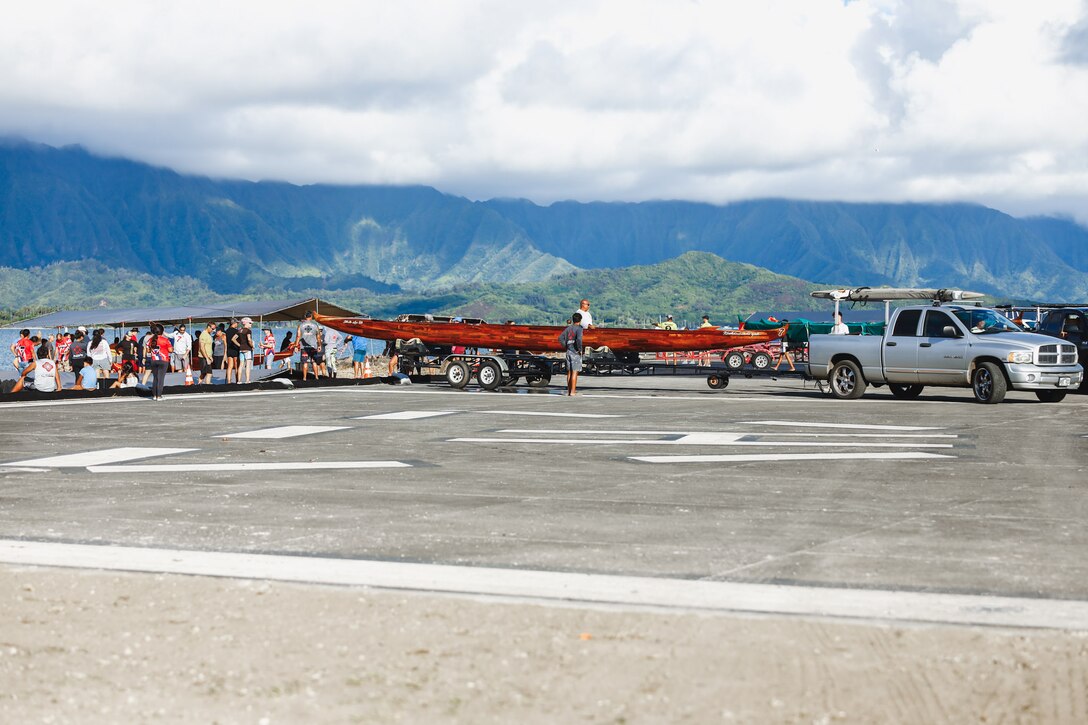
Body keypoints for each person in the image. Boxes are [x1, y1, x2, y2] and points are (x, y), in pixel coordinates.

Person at [559, 312, 584, 396]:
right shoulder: (579, 329)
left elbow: (560, 338)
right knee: (575, 372)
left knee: (569, 372)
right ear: (580, 320)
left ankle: (569, 391)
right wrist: (580, 349)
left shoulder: (568, 328)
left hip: (568, 351)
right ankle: (573, 392)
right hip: (575, 352)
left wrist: (565, 345)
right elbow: (579, 339)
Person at [146, 323, 173, 400]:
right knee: (161, 378)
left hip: (154, 360)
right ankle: (159, 395)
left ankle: (154, 395)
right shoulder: (165, 340)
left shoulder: (150, 340)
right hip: (163, 360)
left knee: (155, 378)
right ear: (162, 331)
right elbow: (170, 350)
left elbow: (148, 350)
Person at [296, 311, 323, 380]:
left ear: (305, 317)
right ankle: (316, 377)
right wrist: (319, 346)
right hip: (313, 347)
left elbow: (298, 336)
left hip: (304, 347)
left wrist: (296, 346)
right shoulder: (315, 326)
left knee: (305, 363)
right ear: (311, 317)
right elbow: (318, 337)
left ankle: (304, 378)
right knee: (314, 362)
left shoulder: (301, 325)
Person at [237, 317, 255, 384]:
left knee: (241, 365)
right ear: (246, 323)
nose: (251, 324)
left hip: (241, 349)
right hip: (247, 349)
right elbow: (249, 339)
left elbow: (233, 339)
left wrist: (239, 345)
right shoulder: (248, 331)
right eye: (250, 323)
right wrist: (252, 346)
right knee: (248, 364)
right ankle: (247, 380)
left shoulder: (240, 330)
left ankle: (239, 380)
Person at [224, 320, 241, 384]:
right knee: (236, 366)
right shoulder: (236, 331)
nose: (237, 324)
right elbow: (239, 339)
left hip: (229, 349)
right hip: (235, 349)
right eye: (237, 323)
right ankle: (237, 380)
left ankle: (229, 381)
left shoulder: (227, 331)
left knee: (230, 366)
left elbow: (225, 342)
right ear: (234, 323)